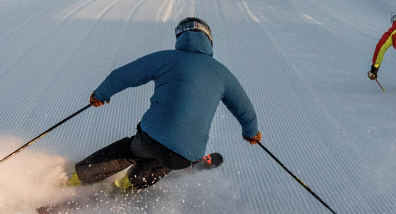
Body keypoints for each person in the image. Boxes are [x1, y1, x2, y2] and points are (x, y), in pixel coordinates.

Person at [68, 16, 261, 192]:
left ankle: (75, 181)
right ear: (209, 40)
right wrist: (251, 133)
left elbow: (122, 76)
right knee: (170, 159)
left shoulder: (165, 58)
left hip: (150, 139)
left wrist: (100, 95)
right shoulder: (223, 73)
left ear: (180, 38)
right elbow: (245, 110)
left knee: (131, 150)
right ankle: (128, 184)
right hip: (186, 156)